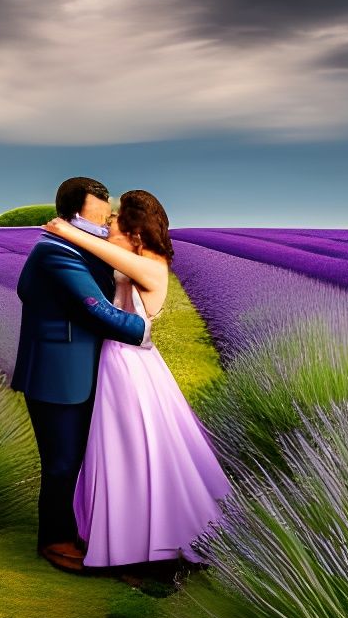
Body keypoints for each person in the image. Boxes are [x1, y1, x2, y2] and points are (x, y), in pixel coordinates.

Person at [41, 190, 232, 569]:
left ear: (137, 235)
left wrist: (64, 228)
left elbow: (93, 247)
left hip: (129, 364)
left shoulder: (152, 266)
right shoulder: (138, 260)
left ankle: (138, 543)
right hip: (121, 359)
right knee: (122, 450)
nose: (106, 226)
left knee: (131, 449)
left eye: (114, 221)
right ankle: (123, 534)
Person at [12, 177, 151, 573]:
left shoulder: (77, 246)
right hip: (57, 375)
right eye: (98, 214)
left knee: (80, 459)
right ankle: (53, 540)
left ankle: (80, 528)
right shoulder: (55, 251)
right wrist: (141, 331)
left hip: (85, 369)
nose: (106, 221)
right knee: (61, 463)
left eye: (107, 214)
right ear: (73, 213)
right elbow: (92, 306)